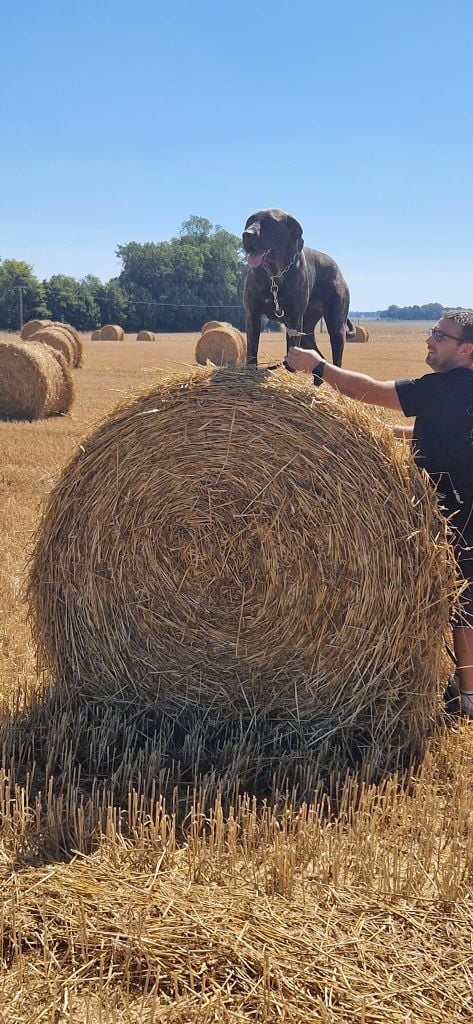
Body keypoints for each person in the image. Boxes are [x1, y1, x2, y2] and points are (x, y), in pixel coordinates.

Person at [286, 310, 473, 718]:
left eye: (440, 336)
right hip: (465, 501)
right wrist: (382, 434)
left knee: (462, 601)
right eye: (432, 331)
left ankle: (469, 695)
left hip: (460, 510)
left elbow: (370, 391)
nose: (430, 340)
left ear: (465, 349)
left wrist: (317, 366)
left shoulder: (444, 387)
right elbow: (438, 430)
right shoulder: (464, 389)